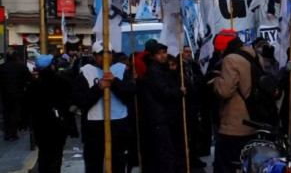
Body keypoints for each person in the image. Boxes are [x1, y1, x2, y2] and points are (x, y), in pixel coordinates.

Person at [73, 40, 136, 173]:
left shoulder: (120, 70)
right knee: (94, 165)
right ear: (94, 57)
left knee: (118, 165)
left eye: (108, 54)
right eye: (101, 54)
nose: (105, 58)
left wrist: (115, 82)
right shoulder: (85, 73)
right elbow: (81, 101)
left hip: (118, 127)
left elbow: (130, 93)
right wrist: (99, 87)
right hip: (94, 129)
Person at [211, 34, 260, 172]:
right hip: (253, 119)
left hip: (234, 122)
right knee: (246, 163)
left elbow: (224, 91)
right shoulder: (254, 55)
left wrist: (216, 81)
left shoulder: (230, 59)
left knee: (226, 165)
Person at [20, 55, 73, 173]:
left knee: (44, 154)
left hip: (40, 125)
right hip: (59, 124)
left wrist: (23, 124)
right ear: (51, 66)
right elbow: (71, 100)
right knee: (56, 155)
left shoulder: (33, 85)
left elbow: (25, 106)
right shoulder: (63, 82)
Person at [141, 43, 186, 172]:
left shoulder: (163, 69)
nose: (163, 56)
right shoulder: (154, 72)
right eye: (159, 53)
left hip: (167, 117)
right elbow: (163, 92)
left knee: (169, 151)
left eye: (164, 52)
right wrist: (179, 91)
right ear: (154, 56)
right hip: (160, 118)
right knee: (166, 152)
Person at [182, 45, 208, 168]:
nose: (188, 54)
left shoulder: (194, 65)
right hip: (185, 104)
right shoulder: (180, 67)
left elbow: (201, 79)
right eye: (186, 52)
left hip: (195, 103)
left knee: (195, 133)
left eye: (189, 52)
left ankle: (194, 158)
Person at [0, 49, 31, 141]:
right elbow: (28, 78)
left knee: (6, 114)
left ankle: (7, 133)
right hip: (18, 94)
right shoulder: (21, 67)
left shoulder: (2, 67)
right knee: (15, 114)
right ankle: (13, 134)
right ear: (16, 57)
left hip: (5, 94)